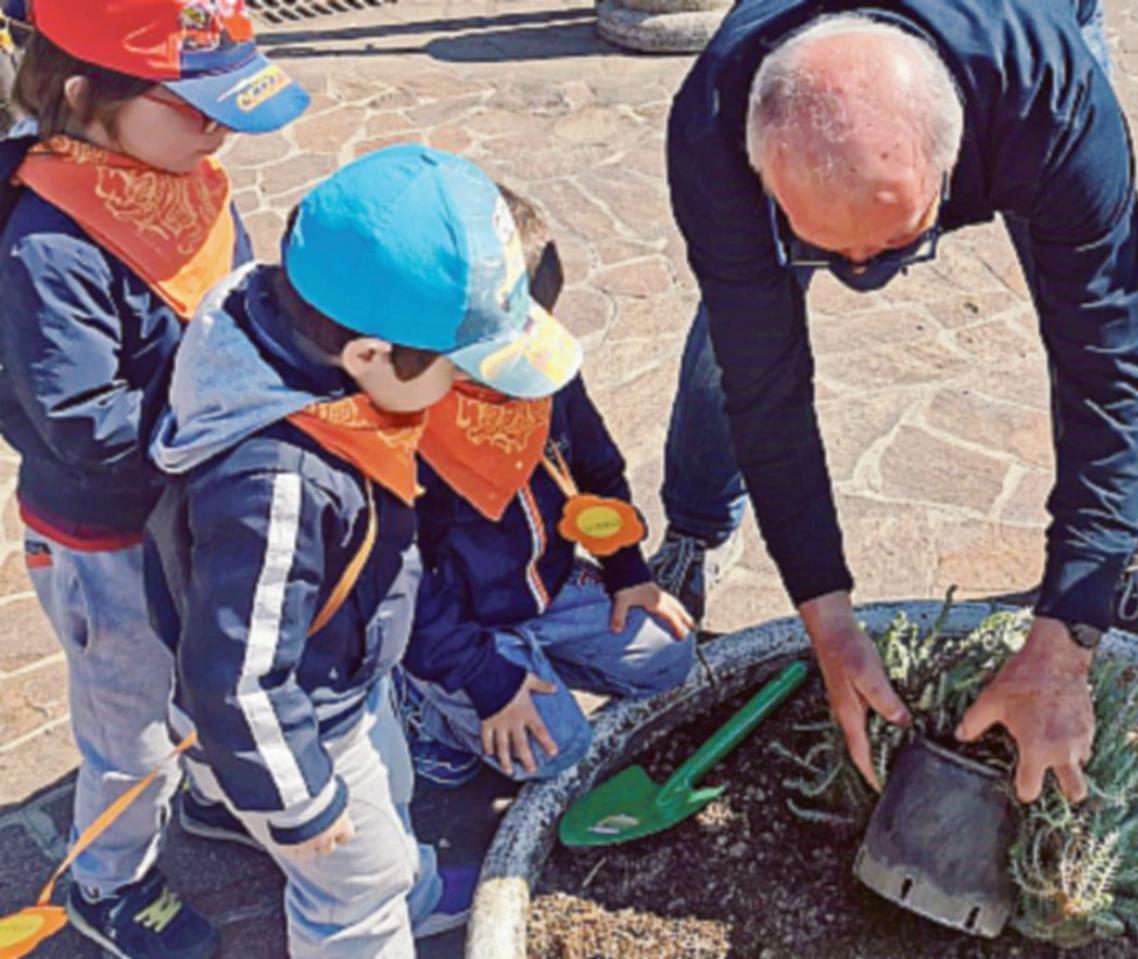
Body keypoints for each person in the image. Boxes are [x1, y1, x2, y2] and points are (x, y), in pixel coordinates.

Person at [654, 0, 1138, 806]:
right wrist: (825, 617)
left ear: (955, 164)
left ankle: (1108, 554)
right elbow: (767, 387)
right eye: (825, 244)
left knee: (1075, 322)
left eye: (896, 241)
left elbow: (1108, 365)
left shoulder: (1050, 99)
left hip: (1019, 55)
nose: (860, 273)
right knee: (737, 338)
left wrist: (1070, 631)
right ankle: (695, 523)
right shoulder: (714, 122)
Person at [142, 144, 582, 957]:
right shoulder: (277, 478)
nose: (458, 390)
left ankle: (404, 886)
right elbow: (236, 672)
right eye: (455, 369)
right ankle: (378, 909)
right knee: (350, 884)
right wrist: (298, 800)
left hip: (346, 670)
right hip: (302, 706)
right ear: (370, 355)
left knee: (391, 787)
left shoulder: (307, 346)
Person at [0, 2, 306, 955]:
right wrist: (228, 424)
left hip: (192, 504)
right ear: (88, 97)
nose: (220, 133)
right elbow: (83, 423)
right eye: (199, 108)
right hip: (108, 540)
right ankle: (107, 881)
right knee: (126, 728)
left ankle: (210, 796)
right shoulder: (47, 245)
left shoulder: (183, 174)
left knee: (203, 672)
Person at [396, 189, 696, 788]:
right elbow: (409, 588)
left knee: (668, 655)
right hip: (459, 620)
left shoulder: (545, 369)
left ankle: (529, 661)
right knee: (554, 752)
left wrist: (627, 571)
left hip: (545, 588)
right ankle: (419, 699)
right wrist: (482, 680)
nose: (526, 380)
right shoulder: (413, 427)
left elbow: (598, 467)